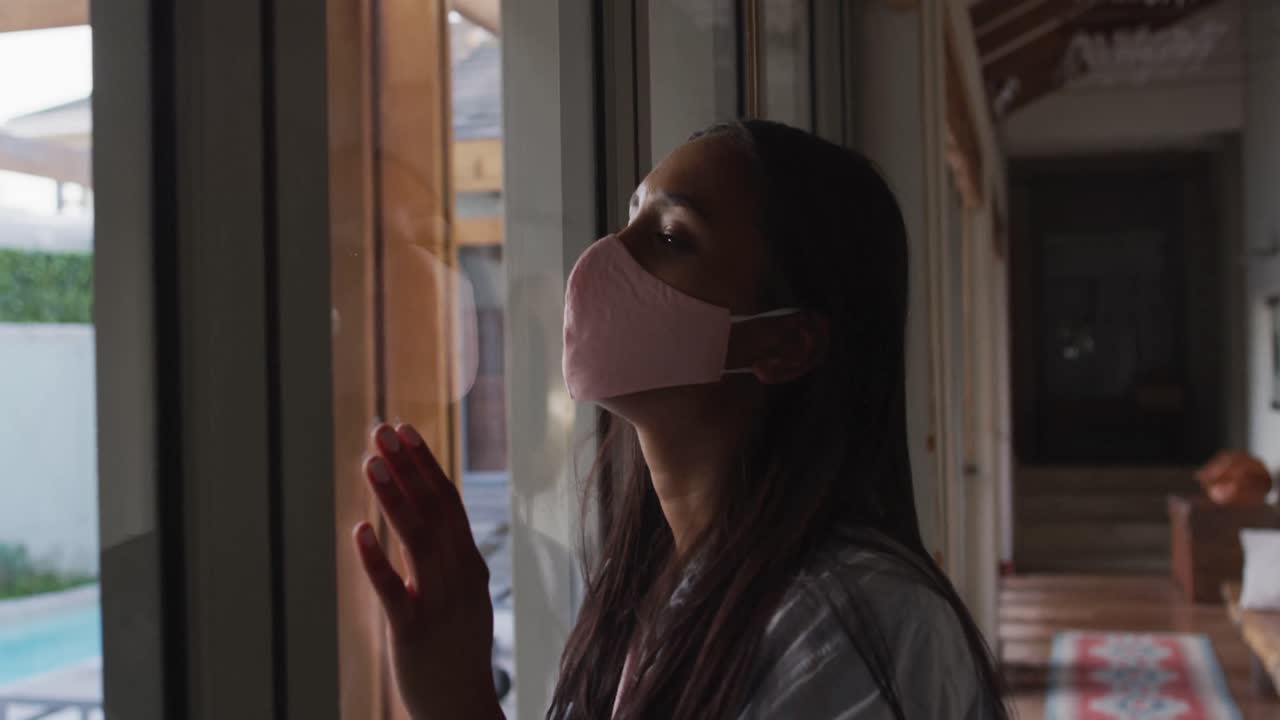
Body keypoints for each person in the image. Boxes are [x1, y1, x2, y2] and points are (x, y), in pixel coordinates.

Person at [350, 119, 1008, 719]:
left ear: (785, 345)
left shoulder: (862, 626)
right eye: (630, 217)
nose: (608, 254)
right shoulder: (654, 590)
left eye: (670, 237)